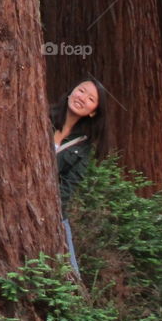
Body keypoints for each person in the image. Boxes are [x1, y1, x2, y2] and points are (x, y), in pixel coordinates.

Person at [51, 77, 107, 277]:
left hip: (52, 212)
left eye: (91, 99)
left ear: (93, 112)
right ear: (70, 92)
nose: (83, 98)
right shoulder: (40, 117)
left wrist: (47, 208)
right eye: (81, 91)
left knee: (71, 274)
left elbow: (69, 186)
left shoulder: (83, 147)